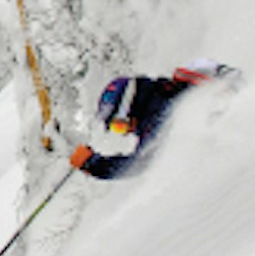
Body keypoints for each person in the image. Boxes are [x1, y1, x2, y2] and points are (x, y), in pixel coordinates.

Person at [69, 60, 240, 180]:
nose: (126, 132)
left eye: (120, 125)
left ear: (130, 108)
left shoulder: (155, 115)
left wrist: (94, 165)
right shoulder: (160, 98)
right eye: (117, 129)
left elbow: (140, 163)